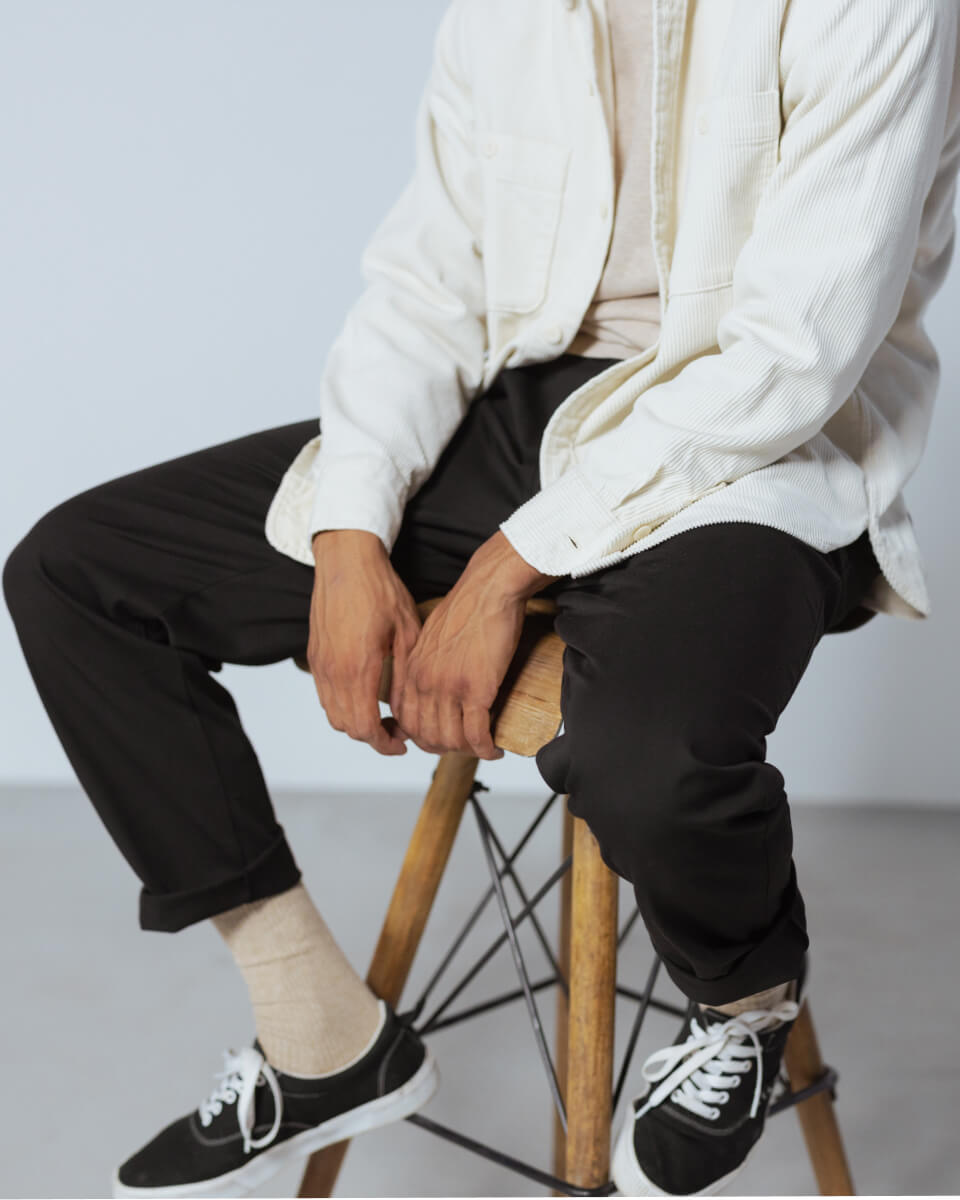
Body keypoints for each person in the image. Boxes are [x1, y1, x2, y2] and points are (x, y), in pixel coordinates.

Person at [5, 0, 960, 1195]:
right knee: (79, 574)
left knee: (645, 753)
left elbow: (797, 351)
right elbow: (429, 287)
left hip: (759, 447)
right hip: (531, 414)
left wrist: (504, 570)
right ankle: (318, 1033)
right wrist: (350, 532)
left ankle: (743, 1003)